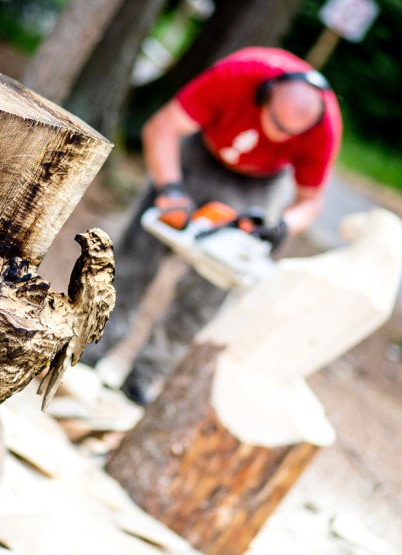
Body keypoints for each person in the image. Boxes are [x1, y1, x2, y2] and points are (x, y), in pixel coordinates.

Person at [84, 46, 342, 404]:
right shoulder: (238, 75)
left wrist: (281, 225)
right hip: (199, 155)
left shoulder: (324, 125)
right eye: (278, 125)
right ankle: (92, 348)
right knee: (135, 258)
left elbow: (310, 201)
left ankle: (146, 375)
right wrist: (170, 189)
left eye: (292, 133)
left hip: (258, 185)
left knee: (210, 287)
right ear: (266, 95)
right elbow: (162, 128)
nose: (282, 137)